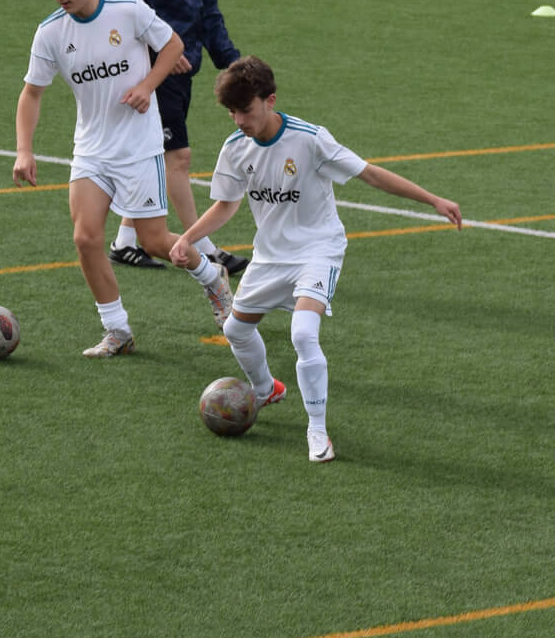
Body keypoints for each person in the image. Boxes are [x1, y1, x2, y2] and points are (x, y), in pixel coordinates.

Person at [172, 56, 462, 463]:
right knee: (236, 329)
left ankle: (317, 432)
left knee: (303, 333)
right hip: (271, 256)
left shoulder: (309, 140)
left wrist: (433, 200)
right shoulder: (235, 148)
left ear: (270, 100)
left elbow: (369, 173)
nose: (239, 120)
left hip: (317, 249)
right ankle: (265, 389)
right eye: (232, 112)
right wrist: (188, 238)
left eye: (246, 110)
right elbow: (226, 205)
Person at [13, 0, 237, 356]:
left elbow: (173, 45)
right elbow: (32, 93)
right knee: (85, 239)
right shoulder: (51, 33)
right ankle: (117, 330)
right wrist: (24, 150)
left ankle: (212, 277)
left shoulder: (129, 10)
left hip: (139, 148)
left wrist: (147, 86)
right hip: (91, 151)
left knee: (154, 242)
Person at [108, 0, 247, 280]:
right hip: (153, 74)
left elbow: (210, 14)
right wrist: (163, 49)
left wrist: (233, 63)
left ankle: (125, 242)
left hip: (182, 75)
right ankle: (203, 247)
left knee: (152, 155)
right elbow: (124, 10)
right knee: (177, 157)